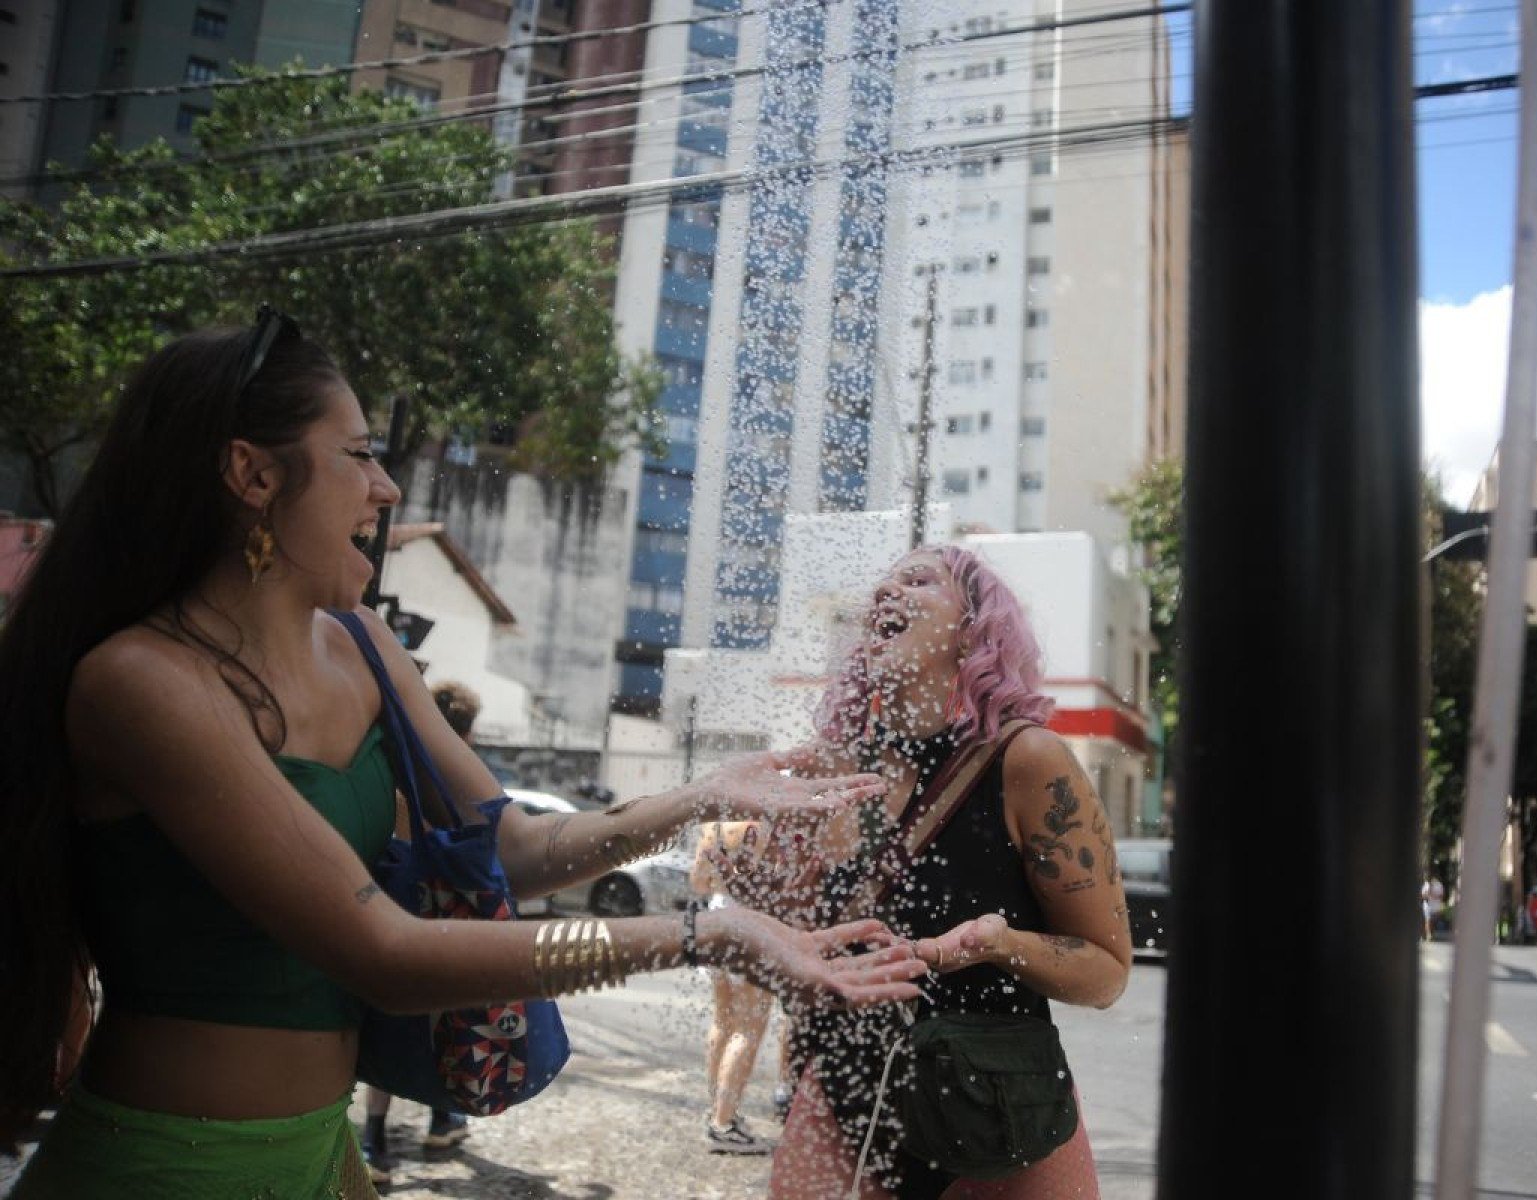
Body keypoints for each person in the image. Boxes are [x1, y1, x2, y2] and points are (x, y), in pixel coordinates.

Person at [0, 309, 927, 1199]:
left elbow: (511, 846)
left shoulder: (362, 646)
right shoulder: (143, 683)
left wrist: (700, 796)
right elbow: (385, 953)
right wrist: (702, 936)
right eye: (359, 455)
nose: (387, 489)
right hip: (164, 1164)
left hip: (322, 1157)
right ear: (252, 473)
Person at [720, 546, 1132, 1199]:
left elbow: (1106, 972)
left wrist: (1001, 944)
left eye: (918, 581)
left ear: (973, 630)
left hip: (1002, 1106)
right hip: (846, 1098)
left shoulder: (1029, 760)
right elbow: (814, 960)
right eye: (882, 584)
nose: (885, 593)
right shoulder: (836, 772)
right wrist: (765, 903)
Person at [358, 681, 485, 1182]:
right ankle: (439, 1120)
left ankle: (374, 1142)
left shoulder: (392, 766)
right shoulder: (457, 780)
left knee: (391, 1022)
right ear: (464, 734)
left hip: (389, 902)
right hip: (441, 911)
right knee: (443, 1023)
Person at [691, 821, 778, 1154]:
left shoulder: (715, 826)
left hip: (717, 917)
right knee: (748, 1028)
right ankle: (723, 1122)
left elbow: (698, 882)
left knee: (723, 1020)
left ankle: (718, 1109)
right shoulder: (765, 826)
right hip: (752, 924)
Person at [1421, 876, 1445, 942]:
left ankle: (1431, 933)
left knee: (1433, 921)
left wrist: (1435, 896)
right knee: (1427, 920)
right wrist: (1427, 894)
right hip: (1427, 906)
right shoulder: (1426, 885)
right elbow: (1423, 895)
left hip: (1435, 906)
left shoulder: (1439, 885)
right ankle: (1429, 935)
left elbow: (1442, 895)